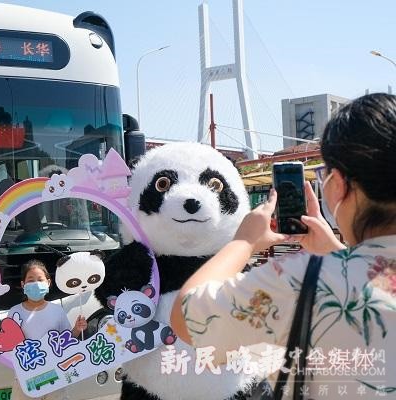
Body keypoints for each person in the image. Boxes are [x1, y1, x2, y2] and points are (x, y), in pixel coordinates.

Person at [170, 93, 396, 399]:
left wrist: (244, 242)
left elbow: (187, 318)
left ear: (338, 184)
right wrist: (334, 252)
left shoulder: (296, 282)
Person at [0, 259, 87, 400]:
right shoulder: (15, 312)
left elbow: (67, 340)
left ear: (48, 282)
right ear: (23, 285)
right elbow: (5, 344)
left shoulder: (57, 310)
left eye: (40, 279)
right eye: (30, 280)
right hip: (26, 379)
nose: (36, 283)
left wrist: (77, 329)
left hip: (55, 376)